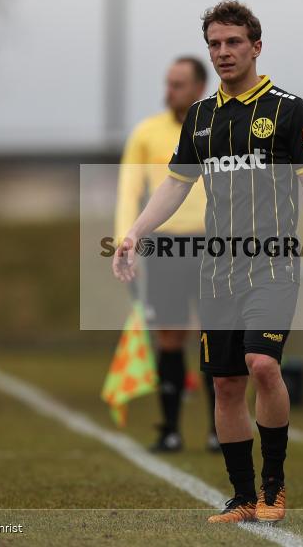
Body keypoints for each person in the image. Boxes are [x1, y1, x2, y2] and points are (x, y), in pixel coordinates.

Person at [112, 0, 303, 524]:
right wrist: (135, 233)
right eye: (214, 44)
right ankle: (242, 497)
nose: (223, 52)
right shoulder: (200, 117)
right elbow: (175, 185)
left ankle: (273, 486)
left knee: (262, 364)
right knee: (226, 382)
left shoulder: (290, 111)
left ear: (256, 46)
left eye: (233, 42)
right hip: (217, 269)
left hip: (273, 265)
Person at [114, 56, 219, 453]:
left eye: (178, 84)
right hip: (164, 247)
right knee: (169, 335)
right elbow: (129, 189)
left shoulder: (221, 127)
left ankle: (219, 430)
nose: (169, 92)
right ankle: (171, 430)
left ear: (199, 87)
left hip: (213, 244)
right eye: (167, 83)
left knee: (218, 336)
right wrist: (126, 240)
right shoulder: (147, 133)